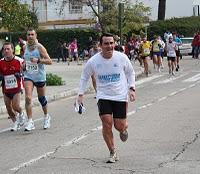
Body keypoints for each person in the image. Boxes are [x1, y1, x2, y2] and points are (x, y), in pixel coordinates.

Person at [76, 33, 136, 163]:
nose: (109, 46)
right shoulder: (93, 61)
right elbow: (84, 77)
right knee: (106, 122)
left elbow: (130, 72)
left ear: (114, 44)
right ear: (100, 45)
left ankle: (123, 128)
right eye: (106, 43)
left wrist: (131, 88)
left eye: (111, 43)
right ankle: (112, 151)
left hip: (120, 95)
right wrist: (80, 95)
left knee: (119, 126)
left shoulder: (121, 57)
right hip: (103, 95)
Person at [23, 28, 52, 131]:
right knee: (28, 98)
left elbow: (50, 61)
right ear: (26, 36)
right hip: (28, 76)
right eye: (28, 34)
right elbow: (25, 60)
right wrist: (23, 65)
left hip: (39, 76)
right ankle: (30, 121)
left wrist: (38, 60)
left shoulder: (40, 47)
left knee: (41, 98)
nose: (30, 36)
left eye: (32, 34)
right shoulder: (24, 47)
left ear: (35, 36)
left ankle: (46, 116)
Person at [0, 42, 25, 131]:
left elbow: (26, 71)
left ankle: (21, 113)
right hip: (6, 89)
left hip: (17, 87)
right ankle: (15, 122)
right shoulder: (1, 62)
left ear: (13, 50)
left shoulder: (19, 60)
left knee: (15, 106)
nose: (6, 51)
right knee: (9, 109)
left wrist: (20, 74)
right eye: (4, 49)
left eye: (8, 49)